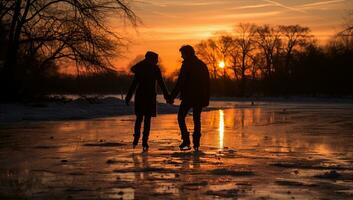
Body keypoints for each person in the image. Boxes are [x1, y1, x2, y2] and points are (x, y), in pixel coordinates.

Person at [168, 45, 210, 151]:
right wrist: (206, 98)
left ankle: (186, 141)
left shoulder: (187, 64)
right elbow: (208, 84)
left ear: (187, 53)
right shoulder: (202, 64)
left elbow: (180, 82)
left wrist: (171, 97)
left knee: (181, 117)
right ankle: (196, 143)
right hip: (200, 97)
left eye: (182, 54)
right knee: (197, 119)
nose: (181, 56)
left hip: (189, 97)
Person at [125, 51, 169, 151]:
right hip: (148, 96)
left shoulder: (141, 68)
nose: (157, 61)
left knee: (140, 118)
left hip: (141, 96)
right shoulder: (153, 69)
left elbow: (134, 84)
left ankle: (138, 139)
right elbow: (161, 83)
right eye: (156, 59)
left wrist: (128, 97)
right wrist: (167, 96)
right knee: (145, 119)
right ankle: (143, 141)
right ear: (151, 59)